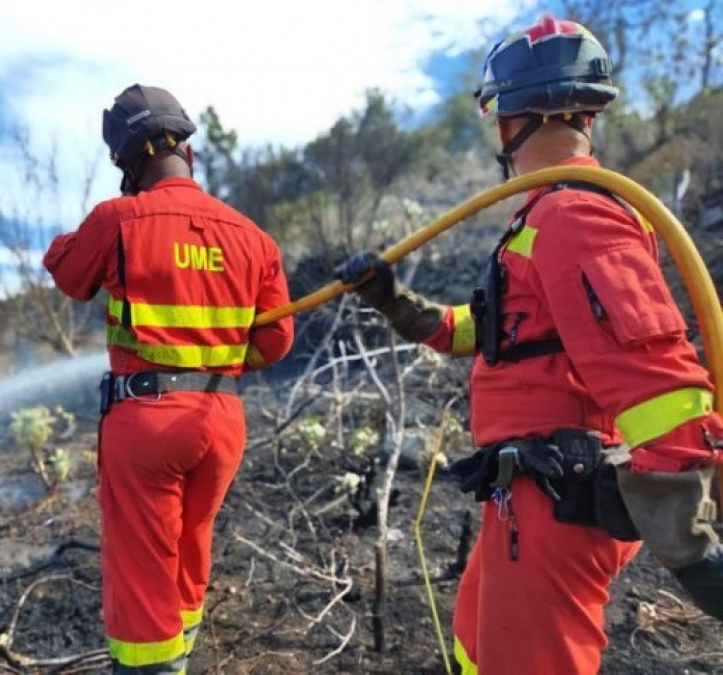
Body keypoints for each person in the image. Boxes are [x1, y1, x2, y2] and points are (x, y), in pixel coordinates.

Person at [336, 15, 722, 674]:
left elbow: (660, 379)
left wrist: (690, 545)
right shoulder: (540, 219)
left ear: (510, 117)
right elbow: (493, 335)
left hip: (554, 501)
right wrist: (395, 302)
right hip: (524, 496)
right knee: (477, 642)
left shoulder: (576, 215)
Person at [43, 84, 294, 674]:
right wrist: (216, 362)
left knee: (141, 573)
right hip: (221, 421)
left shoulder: (118, 218)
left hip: (147, 420)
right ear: (188, 151)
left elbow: (70, 275)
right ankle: (181, 655)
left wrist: (74, 241)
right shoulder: (253, 237)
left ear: (126, 164)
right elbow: (277, 341)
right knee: (189, 551)